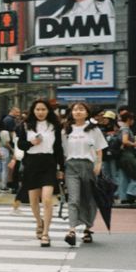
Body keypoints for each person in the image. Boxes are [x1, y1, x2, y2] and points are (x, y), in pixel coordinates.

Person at [16, 99, 64, 247]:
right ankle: (39, 222)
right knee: (33, 201)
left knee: (47, 198)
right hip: (31, 163)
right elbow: (20, 145)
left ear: (48, 111)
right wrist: (32, 143)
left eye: (43, 109)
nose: (41, 112)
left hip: (48, 163)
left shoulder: (54, 126)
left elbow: (58, 148)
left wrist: (61, 168)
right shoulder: (25, 125)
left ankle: (46, 233)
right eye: (38, 109)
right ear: (33, 110)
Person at [62, 102, 107, 246]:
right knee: (73, 199)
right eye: (75, 109)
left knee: (89, 199)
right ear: (71, 113)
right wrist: (60, 169)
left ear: (87, 113)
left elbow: (99, 148)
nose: (78, 112)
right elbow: (63, 152)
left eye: (81, 109)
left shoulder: (93, 129)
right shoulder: (66, 130)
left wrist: (98, 164)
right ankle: (72, 230)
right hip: (71, 166)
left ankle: (87, 229)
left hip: (89, 166)